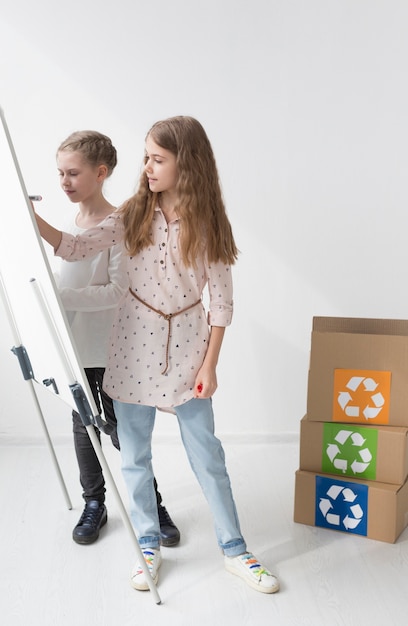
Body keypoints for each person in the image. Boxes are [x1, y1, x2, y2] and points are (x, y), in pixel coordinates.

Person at [35, 116, 280, 594]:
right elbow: (74, 246)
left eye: (156, 158)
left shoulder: (209, 224)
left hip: (188, 350)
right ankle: (147, 542)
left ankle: (235, 549)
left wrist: (210, 364)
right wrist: (30, 222)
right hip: (130, 347)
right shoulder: (131, 214)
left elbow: (223, 304)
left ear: (184, 163)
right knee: (136, 457)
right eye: (147, 156)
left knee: (207, 456)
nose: (145, 166)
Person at [53, 130, 180, 547]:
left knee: (124, 431)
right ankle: (95, 504)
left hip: (109, 348)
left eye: (73, 173)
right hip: (72, 347)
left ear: (100, 173)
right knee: (82, 425)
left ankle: (152, 505)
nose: (65, 181)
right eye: (60, 173)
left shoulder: (118, 225)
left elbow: (116, 291)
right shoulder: (65, 224)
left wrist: (61, 296)